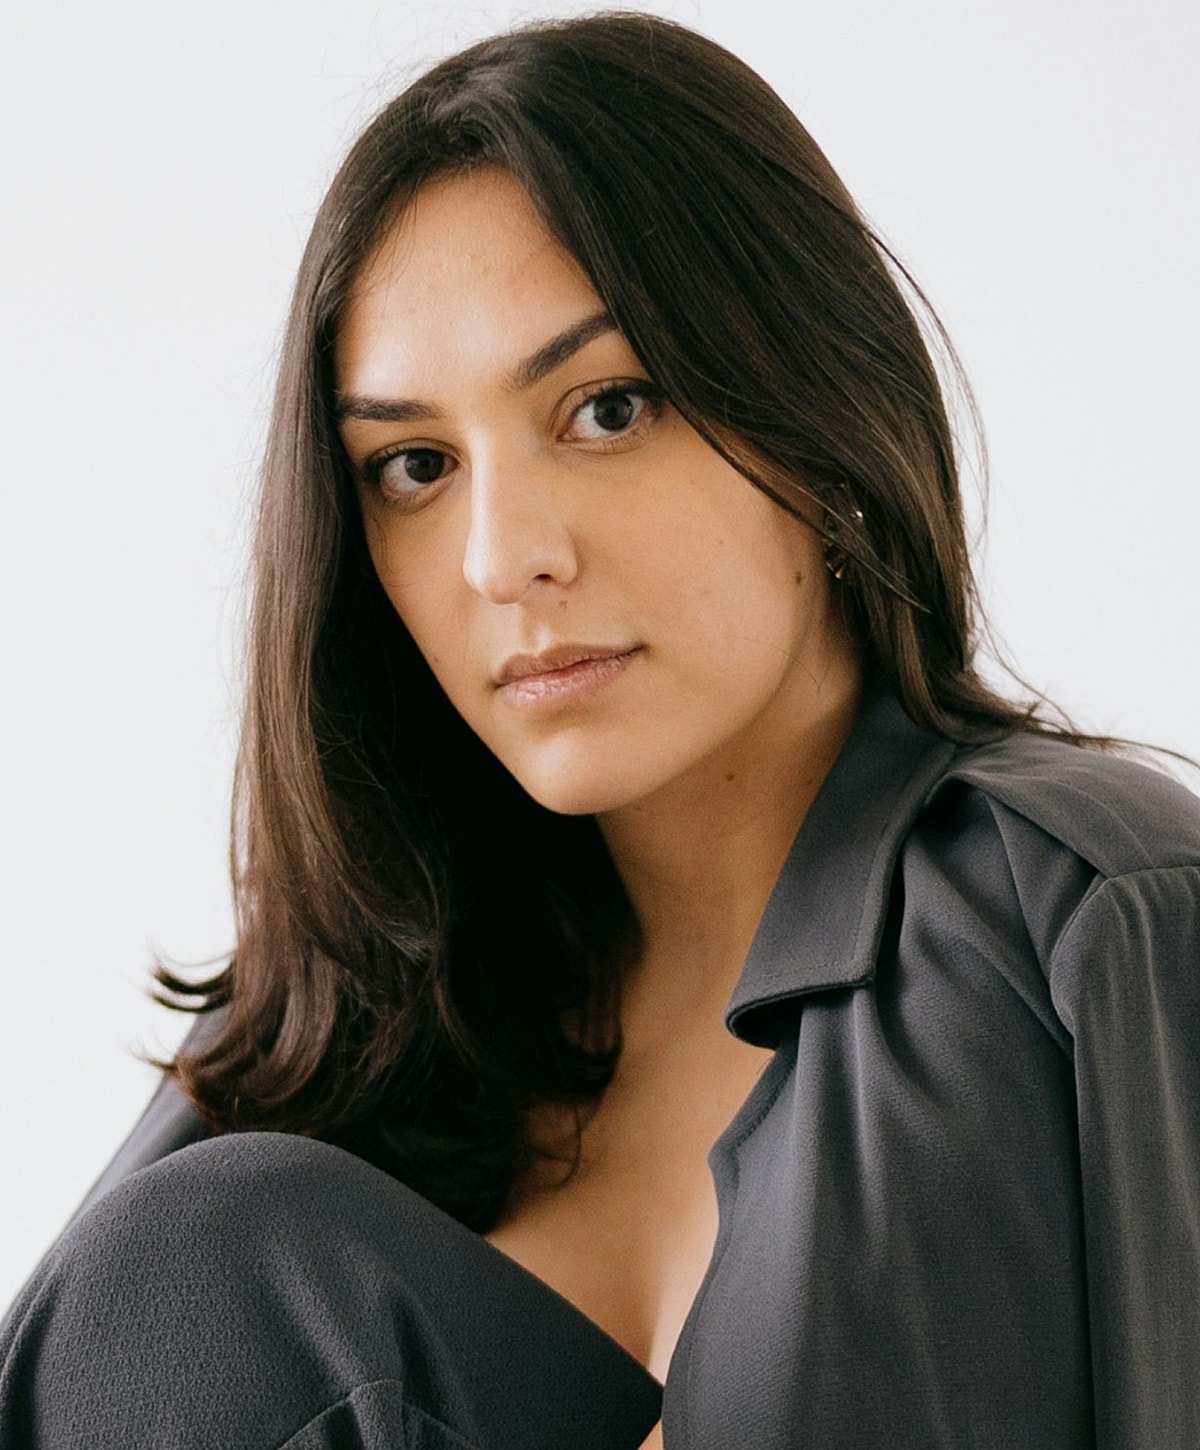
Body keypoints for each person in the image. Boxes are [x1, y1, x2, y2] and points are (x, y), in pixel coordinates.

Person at [1, 12, 1197, 1449]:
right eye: (414, 465)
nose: (502, 556)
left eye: (608, 409)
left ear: (819, 405)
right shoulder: (334, 1018)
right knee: (205, 1266)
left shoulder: (1086, 913)